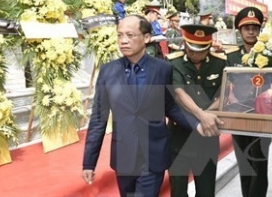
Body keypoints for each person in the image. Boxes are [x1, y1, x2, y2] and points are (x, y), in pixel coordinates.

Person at [81, 15, 206, 197]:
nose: (123, 41)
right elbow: (98, 119)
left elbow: (169, 106)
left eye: (130, 35)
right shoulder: (108, 71)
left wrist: (197, 124)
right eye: (120, 35)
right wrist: (89, 163)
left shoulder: (163, 69)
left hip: (153, 155)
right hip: (123, 155)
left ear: (146, 38)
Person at [166, 24, 226, 197]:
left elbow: (225, 93)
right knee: (178, 192)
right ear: (185, 44)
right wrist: (202, 115)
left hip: (207, 140)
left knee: (206, 191)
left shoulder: (220, 63)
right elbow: (178, 93)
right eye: (190, 49)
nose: (194, 54)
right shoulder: (174, 62)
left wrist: (209, 113)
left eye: (200, 50)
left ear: (209, 47)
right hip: (179, 139)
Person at [225, 6, 270, 197]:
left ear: (259, 30)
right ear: (240, 30)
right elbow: (225, 85)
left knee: (259, 164)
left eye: (255, 27)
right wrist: (230, 96)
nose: (251, 31)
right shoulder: (231, 56)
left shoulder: (271, 54)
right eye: (247, 28)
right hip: (239, 117)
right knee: (244, 164)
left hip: (263, 117)